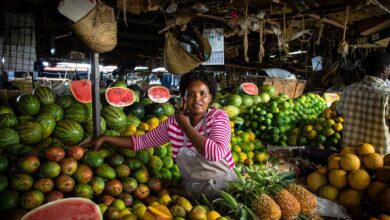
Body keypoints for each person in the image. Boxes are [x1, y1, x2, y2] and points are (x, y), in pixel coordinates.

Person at [85, 70, 237, 198]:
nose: (197, 99)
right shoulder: (173, 123)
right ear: (183, 97)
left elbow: (215, 152)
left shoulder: (218, 117)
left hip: (225, 191)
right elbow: (142, 141)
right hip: (194, 191)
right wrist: (105, 138)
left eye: (203, 94)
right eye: (191, 94)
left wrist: (184, 125)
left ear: (210, 98)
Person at [336, 51, 390, 155]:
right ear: (384, 69)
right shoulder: (387, 95)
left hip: (349, 161)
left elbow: (339, 112)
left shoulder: (348, 90)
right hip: (378, 161)